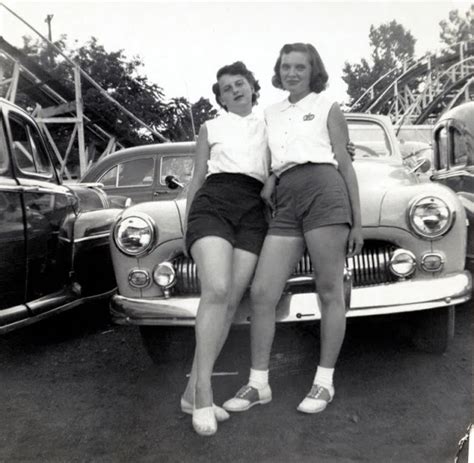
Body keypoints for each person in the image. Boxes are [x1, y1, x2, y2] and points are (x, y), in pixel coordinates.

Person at [223, 43, 363, 414]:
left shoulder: (328, 107)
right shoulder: (270, 112)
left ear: (312, 70)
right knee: (263, 291)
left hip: (325, 193)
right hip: (286, 200)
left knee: (330, 289)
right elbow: (268, 156)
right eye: (286, 66)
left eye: (300, 66)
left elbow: (345, 166)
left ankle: (323, 383)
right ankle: (258, 383)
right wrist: (270, 176)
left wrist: (357, 221)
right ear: (278, 70)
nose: (292, 72)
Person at [181, 61, 270, 436]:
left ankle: (189, 393)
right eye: (225, 88)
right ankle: (203, 394)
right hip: (214, 203)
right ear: (219, 98)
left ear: (252, 85)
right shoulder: (210, 127)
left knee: (232, 300)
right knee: (216, 289)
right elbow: (197, 178)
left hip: (254, 208)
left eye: (240, 83)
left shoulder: (272, 123)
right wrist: (189, 226)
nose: (234, 90)